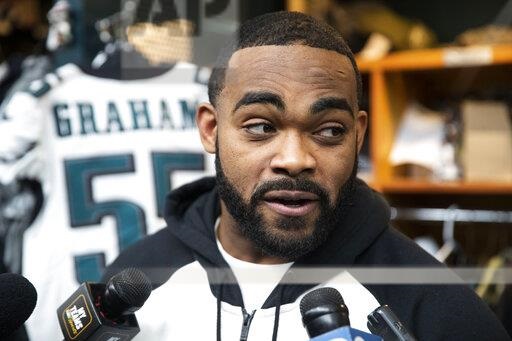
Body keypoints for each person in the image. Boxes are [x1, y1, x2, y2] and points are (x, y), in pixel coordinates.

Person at [103, 11, 510, 340]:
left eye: (330, 131)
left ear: (358, 136)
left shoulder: (431, 304)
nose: (295, 159)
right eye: (261, 126)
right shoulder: (139, 280)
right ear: (211, 129)